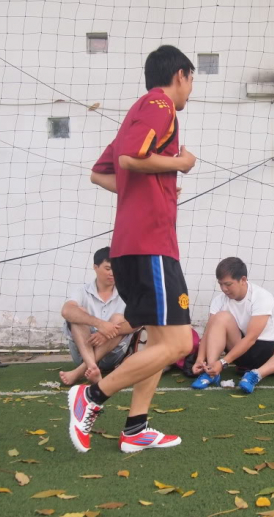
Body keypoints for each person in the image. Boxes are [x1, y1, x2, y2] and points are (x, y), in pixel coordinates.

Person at [68, 45, 196, 454]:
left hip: (135, 246)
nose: (190, 90)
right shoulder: (160, 105)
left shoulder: (135, 112)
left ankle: (137, 427)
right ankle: (92, 396)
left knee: (160, 343)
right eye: (192, 80)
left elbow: (100, 174)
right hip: (150, 247)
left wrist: (146, 191)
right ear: (180, 75)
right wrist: (180, 164)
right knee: (180, 345)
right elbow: (130, 157)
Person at [190, 257, 274, 394]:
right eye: (220, 284)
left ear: (243, 280)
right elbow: (208, 333)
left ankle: (255, 375)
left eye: (228, 284)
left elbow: (251, 338)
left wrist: (223, 362)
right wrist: (199, 359)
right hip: (242, 351)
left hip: (272, 353)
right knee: (220, 317)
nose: (224, 289)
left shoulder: (261, 297)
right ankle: (211, 372)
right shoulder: (219, 301)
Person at [59, 246, 135, 386]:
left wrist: (107, 332)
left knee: (118, 318)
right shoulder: (82, 291)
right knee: (78, 312)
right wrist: (101, 325)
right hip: (82, 353)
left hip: (112, 356)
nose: (113, 273)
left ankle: (82, 370)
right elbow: (66, 311)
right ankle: (91, 366)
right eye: (108, 268)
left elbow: (136, 323)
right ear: (95, 267)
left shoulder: (126, 292)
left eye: (116, 269)